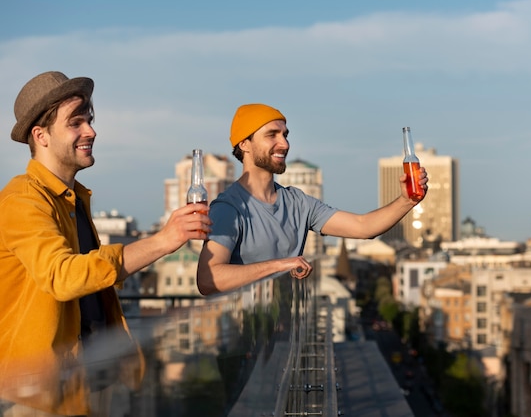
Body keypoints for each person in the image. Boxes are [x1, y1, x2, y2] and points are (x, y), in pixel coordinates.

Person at [0, 71, 212, 417]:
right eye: (76, 123)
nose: (91, 131)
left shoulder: (73, 199)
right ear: (41, 136)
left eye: (90, 120)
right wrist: (164, 240)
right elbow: (64, 277)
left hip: (87, 385)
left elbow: (97, 279)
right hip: (39, 398)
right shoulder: (23, 200)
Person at [196, 103, 428, 295]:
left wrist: (406, 201)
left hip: (290, 343)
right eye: (272, 135)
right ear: (245, 144)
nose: (284, 144)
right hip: (245, 345)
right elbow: (207, 279)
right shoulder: (229, 208)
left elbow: (363, 227)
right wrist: (282, 264)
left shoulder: (297, 202)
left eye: (285, 135)